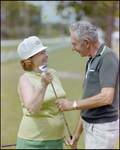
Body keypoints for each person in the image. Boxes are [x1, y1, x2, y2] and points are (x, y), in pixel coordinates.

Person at [55, 20, 119, 149]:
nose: (72, 48)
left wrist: (72, 104)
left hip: (102, 128)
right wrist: (77, 134)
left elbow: (107, 97)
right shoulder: (91, 60)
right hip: (90, 126)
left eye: (74, 44)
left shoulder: (108, 57)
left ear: (86, 42)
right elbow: (87, 99)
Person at [16, 36, 67, 149]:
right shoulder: (25, 79)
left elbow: (55, 105)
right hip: (34, 141)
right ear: (30, 60)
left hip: (56, 139)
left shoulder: (52, 72)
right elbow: (33, 109)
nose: (46, 55)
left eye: (45, 51)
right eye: (41, 53)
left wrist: (59, 132)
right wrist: (43, 84)